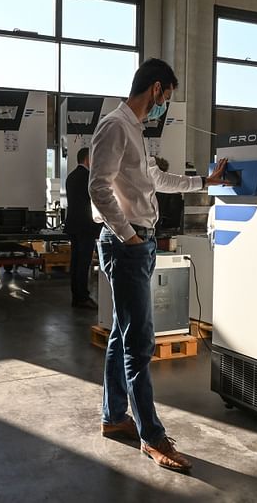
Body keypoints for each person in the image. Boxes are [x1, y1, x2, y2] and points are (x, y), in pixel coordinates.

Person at [89, 58, 230, 473]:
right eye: (166, 97)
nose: (164, 106)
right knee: (140, 343)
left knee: (122, 335)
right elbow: (99, 187)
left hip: (138, 243)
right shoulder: (115, 126)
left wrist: (204, 183)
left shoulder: (134, 130)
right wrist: (128, 237)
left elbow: (155, 180)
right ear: (156, 88)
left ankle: (115, 418)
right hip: (127, 244)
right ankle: (152, 437)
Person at [64, 146, 101, 309]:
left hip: (73, 225)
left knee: (76, 262)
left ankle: (76, 296)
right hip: (86, 227)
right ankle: (83, 297)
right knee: (83, 263)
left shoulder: (71, 176)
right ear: (88, 159)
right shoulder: (88, 177)